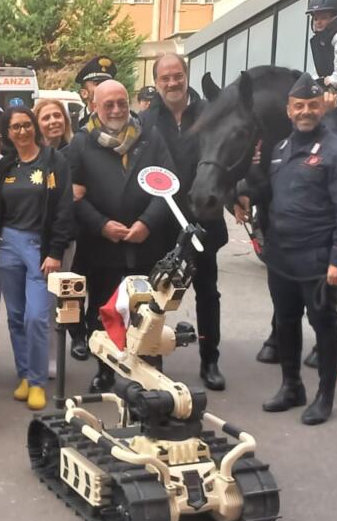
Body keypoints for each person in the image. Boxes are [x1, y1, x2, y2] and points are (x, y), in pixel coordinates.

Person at [235, 73, 337, 425]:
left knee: (323, 324)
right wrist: (243, 193)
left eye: (311, 104)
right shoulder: (280, 150)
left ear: (322, 107)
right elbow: (270, 191)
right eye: (298, 106)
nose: (305, 111)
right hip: (280, 256)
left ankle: (325, 396)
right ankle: (292, 386)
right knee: (286, 321)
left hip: (318, 258)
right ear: (289, 111)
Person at [70, 80, 177, 393]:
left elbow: (168, 184)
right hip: (102, 245)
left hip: (145, 243)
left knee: (147, 311)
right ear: (95, 107)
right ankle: (105, 368)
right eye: (108, 105)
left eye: (121, 102)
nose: (116, 110)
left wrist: (147, 222)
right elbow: (73, 195)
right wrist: (101, 224)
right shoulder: (81, 143)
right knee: (104, 310)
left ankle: (148, 369)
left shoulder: (150, 138)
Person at [140, 53, 228, 390]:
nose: (172, 83)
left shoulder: (211, 113)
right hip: (162, 224)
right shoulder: (146, 120)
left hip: (203, 219)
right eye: (165, 78)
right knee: (156, 296)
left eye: (177, 76)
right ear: (157, 81)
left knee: (207, 293)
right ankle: (152, 359)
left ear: (186, 75)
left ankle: (211, 361)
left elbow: (229, 155)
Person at [0, 106, 72, 410]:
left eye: (26, 125)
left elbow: (64, 208)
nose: (22, 131)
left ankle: (38, 381)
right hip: (8, 243)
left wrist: (55, 252)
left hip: (40, 247)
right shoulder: (6, 166)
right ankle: (24, 375)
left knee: (36, 316)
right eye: (15, 127)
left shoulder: (54, 161)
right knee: (15, 317)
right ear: (8, 133)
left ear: (34, 127)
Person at [33, 96, 80, 365]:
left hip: (64, 240)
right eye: (46, 117)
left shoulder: (75, 151)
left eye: (58, 116)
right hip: (34, 238)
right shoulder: (31, 155)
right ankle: (36, 353)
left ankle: (52, 357)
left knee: (56, 300)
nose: (54, 122)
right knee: (36, 304)